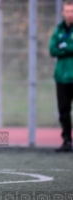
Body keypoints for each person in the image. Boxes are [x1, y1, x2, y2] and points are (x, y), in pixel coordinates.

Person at [49, 0, 73, 152]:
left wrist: (63, 46)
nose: (70, 14)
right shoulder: (58, 30)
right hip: (62, 77)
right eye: (67, 11)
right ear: (62, 12)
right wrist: (69, 47)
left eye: (72, 11)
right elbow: (52, 49)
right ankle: (67, 141)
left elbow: (60, 48)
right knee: (63, 111)